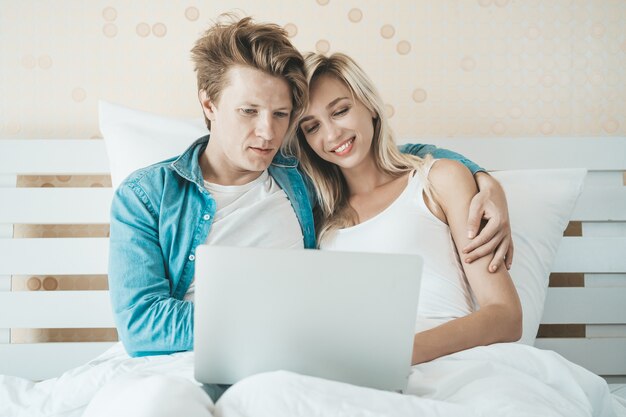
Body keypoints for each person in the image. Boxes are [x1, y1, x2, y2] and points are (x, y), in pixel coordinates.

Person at [93, 15, 514, 415]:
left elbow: (385, 159)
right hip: (191, 362)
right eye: (248, 111)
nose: (267, 133)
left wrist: (483, 179)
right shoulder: (147, 195)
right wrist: (272, 320)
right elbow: (142, 324)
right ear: (208, 103)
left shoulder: (299, 179)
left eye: (281, 116)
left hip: (298, 372)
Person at [290, 52, 522, 364]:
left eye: (340, 111)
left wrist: (402, 352)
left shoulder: (439, 179)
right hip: (358, 371)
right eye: (312, 127)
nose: (331, 134)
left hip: (452, 365)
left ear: (370, 105)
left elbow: (506, 315)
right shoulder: (320, 221)